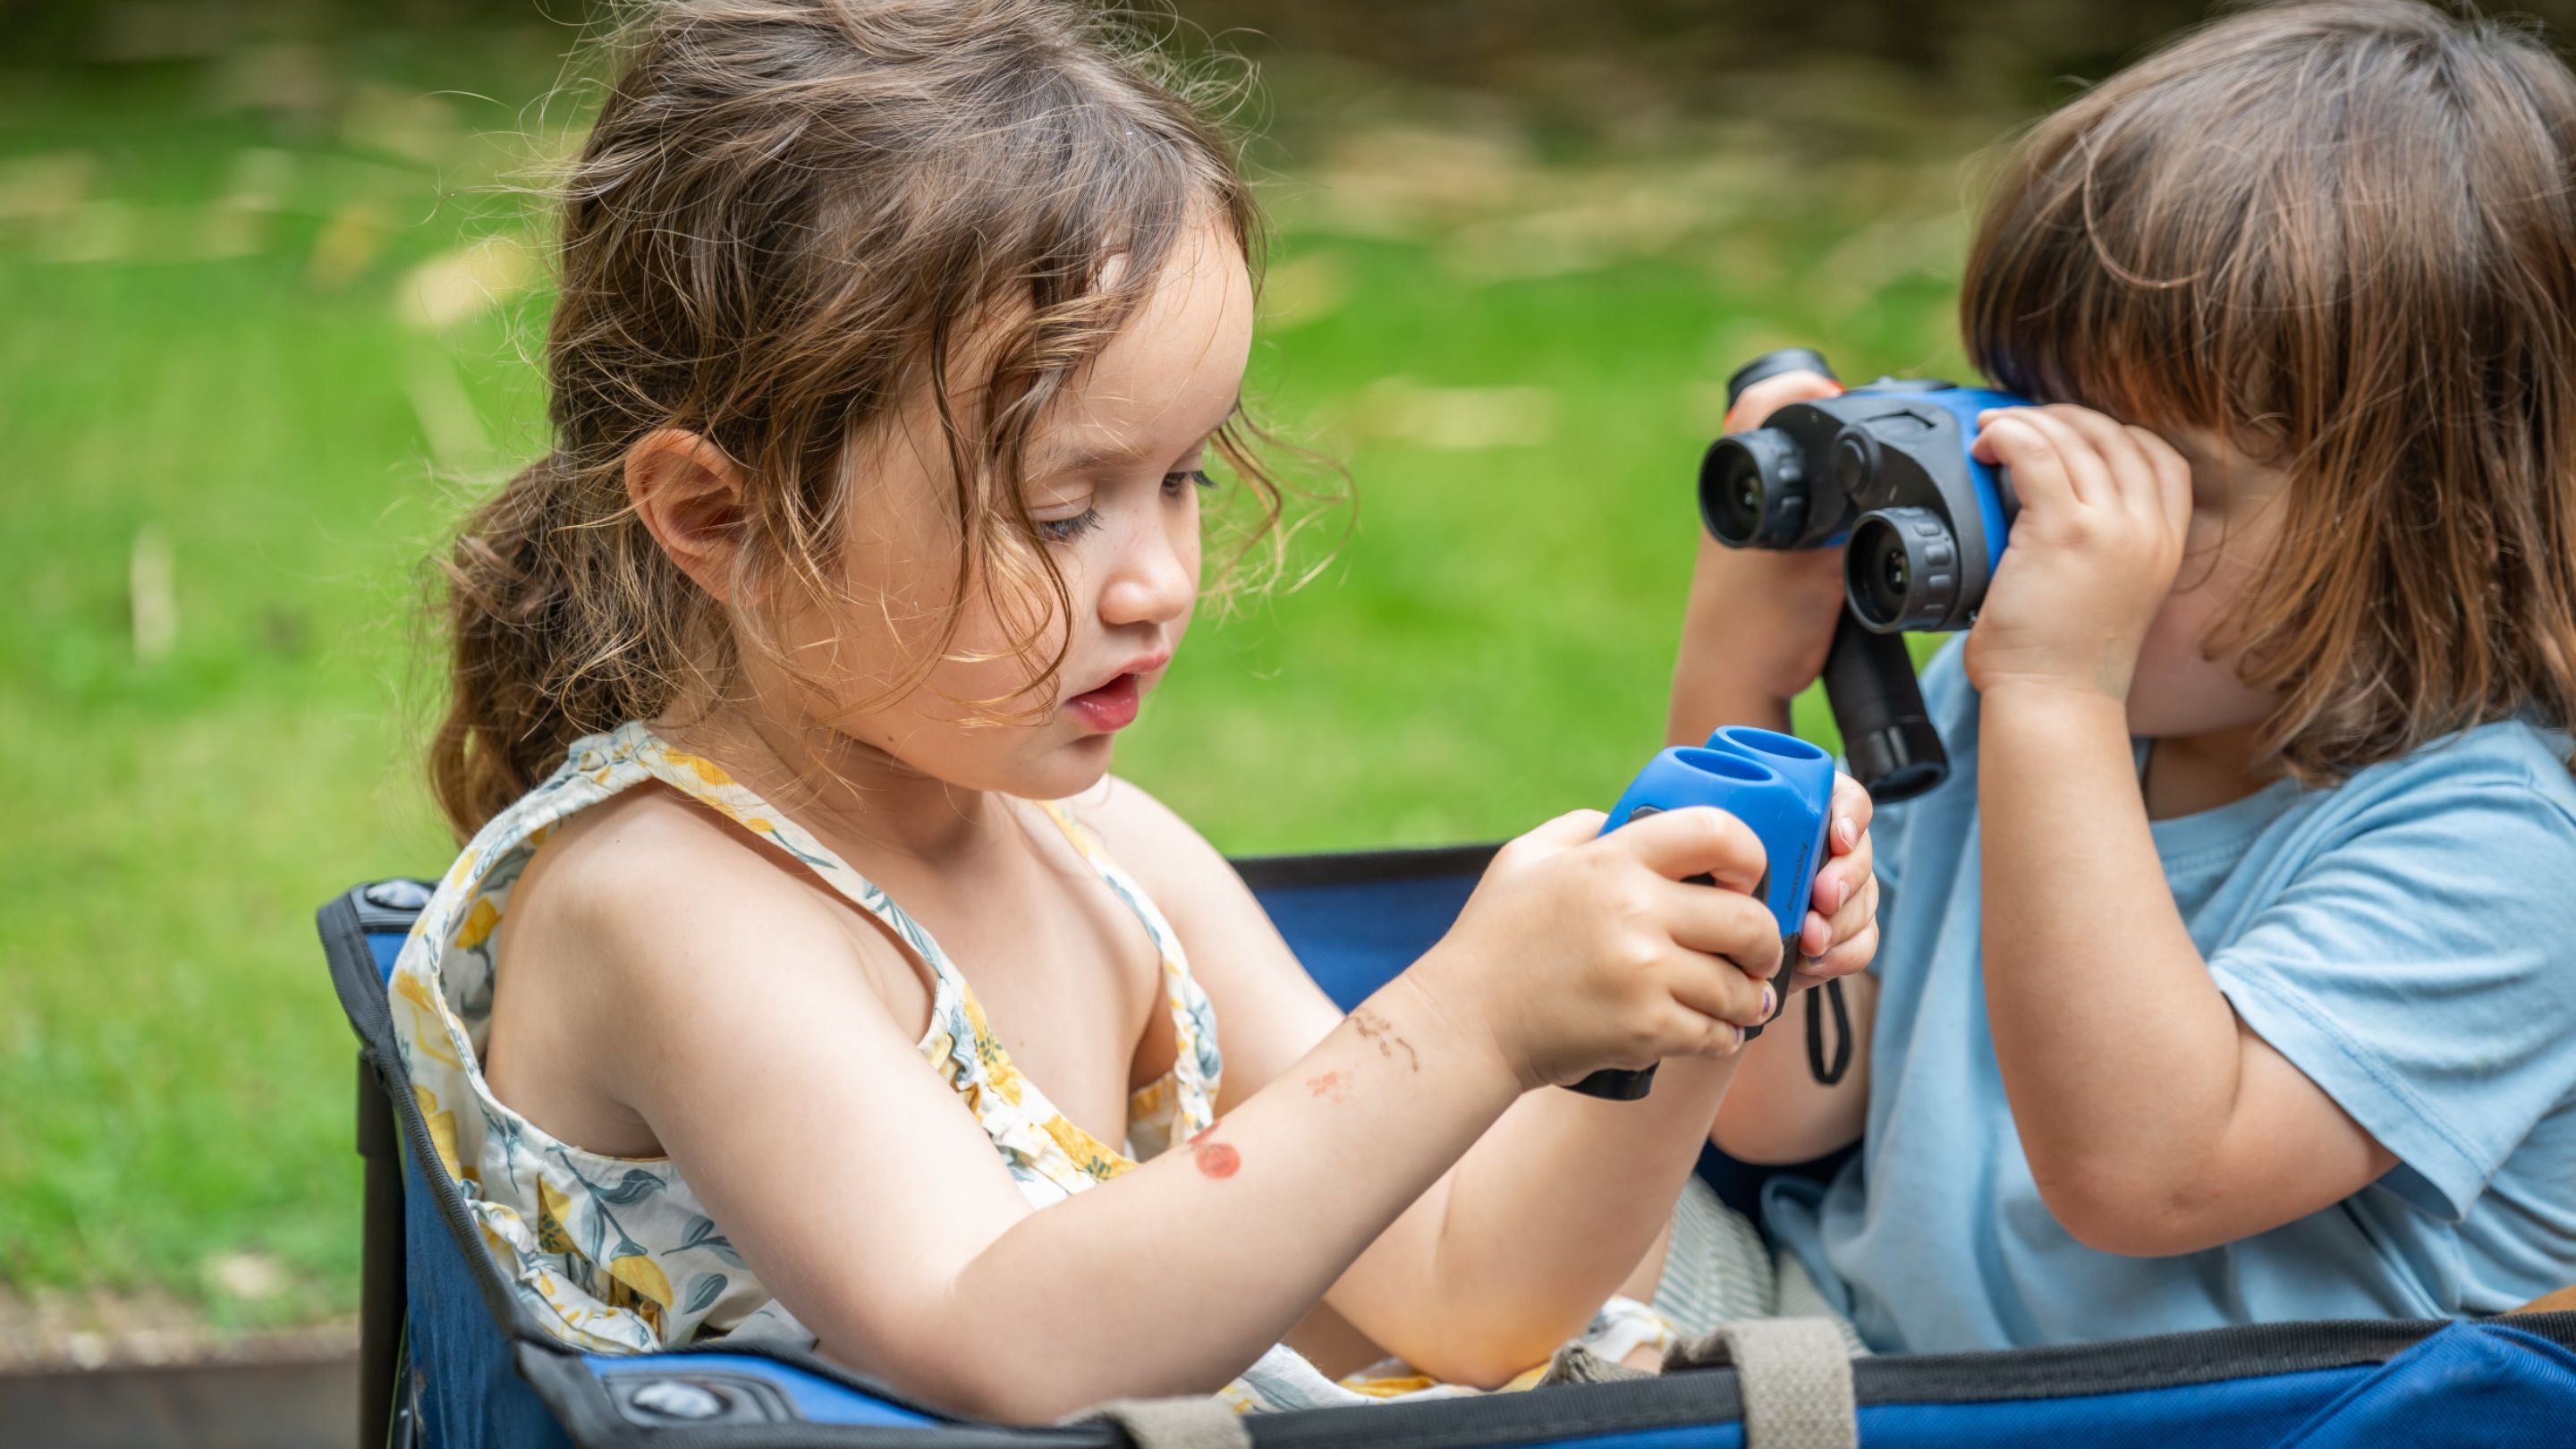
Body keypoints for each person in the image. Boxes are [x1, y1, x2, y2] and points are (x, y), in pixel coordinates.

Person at [387, 0, 1879, 1421]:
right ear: (719, 517)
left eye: (1182, 479)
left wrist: (1694, 987)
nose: (1159, 579)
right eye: (1057, 510)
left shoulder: (1098, 848)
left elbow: (1474, 1299)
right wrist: (1465, 1022)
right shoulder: (670, 905)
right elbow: (1008, 1340)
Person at [1678, 0, 2576, 1355]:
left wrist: (2054, 695)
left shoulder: (2500, 849)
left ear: (2441, 514)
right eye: (2033, 422)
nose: (2056, 517)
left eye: (2164, 481)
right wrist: (1741, 677)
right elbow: (1781, 1107)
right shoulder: (2013, 691)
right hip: (1839, 1340)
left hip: (2179, 1426)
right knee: (1440, 1190)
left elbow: (2141, 1174)